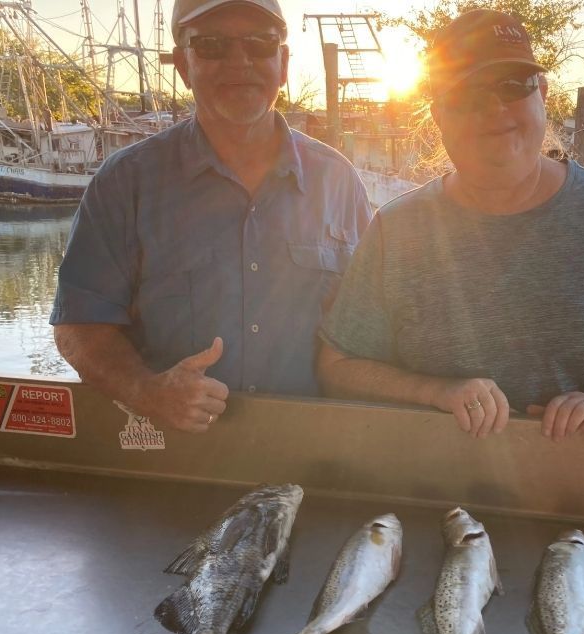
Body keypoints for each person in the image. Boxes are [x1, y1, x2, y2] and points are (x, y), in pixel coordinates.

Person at [317, 9, 584, 441]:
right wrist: (435, 391)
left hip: (578, 491)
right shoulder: (396, 228)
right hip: (432, 491)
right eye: (468, 94)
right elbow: (337, 367)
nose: (495, 108)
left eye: (513, 85)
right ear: (439, 114)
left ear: (544, 93)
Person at [51, 0, 372, 433]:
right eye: (212, 45)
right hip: (176, 461)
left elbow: (372, 329)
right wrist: (148, 391)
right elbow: (80, 325)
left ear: (284, 63)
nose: (240, 62)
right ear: (184, 64)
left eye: (260, 43)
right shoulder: (125, 183)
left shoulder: (340, 182)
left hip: (313, 457)